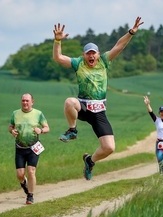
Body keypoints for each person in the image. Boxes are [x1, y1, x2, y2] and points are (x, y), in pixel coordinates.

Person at [52, 16, 144, 180]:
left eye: (94, 53)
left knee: (109, 148)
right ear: (84, 55)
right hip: (83, 106)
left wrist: (131, 32)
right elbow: (58, 58)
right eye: (88, 54)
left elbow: (119, 45)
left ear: (98, 54)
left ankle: (90, 160)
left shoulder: (104, 61)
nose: (91, 56)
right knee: (69, 102)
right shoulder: (78, 63)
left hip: (99, 111)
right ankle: (72, 130)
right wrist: (57, 41)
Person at [8, 93, 49, 204]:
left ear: (32, 102)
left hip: (33, 148)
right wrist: (12, 131)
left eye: (27, 100)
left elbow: (47, 128)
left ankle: (30, 195)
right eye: (23, 100)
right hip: (20, 148)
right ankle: (24, 183)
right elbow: (10, 126)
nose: (25, 103)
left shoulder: (38, 114)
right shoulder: (15, 113)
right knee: (20, 175)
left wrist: (41, 130)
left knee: (31, 171)